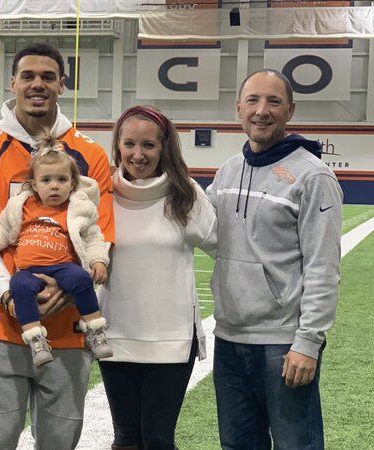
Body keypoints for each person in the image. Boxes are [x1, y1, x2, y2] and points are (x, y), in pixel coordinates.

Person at [0, 43, 114, 449]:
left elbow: (103, 236)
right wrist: (12, 296)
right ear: (12, 83)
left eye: (48, 76)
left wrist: (64, 293)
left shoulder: (91, 154)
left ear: (63, 84)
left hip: (68, 333)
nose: (37, 84)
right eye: (27, 75)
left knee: (59, 444)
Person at [207, 69, 342, 449]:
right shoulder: (229, 169)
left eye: (274, 101)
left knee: (295, 445)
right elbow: (202, 229)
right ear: (238, 108)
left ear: (290, 111)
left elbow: (323, 268)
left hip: (282, 343)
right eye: (252, 100)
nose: (261, 111)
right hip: (229, 338)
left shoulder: (313, 176)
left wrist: (308, 343)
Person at [97, 105, 217, 450]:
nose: (138, 154)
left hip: (172, 341)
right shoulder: (100, 193)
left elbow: (224, 248)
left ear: (165, 147)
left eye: (149, 145)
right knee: (126, 439)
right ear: (117, 145)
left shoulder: (186, 194)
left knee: (159, 440)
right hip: (115, 336)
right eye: (129, 144)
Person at [0, 133, 111, 367]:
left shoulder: (78, 208)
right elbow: (2, 226)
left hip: (64, 266)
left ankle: (95, 330)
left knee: (81, 278)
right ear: (34, 184)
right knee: (19, 285)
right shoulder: (22, 205)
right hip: (29, 269)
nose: (54, 186)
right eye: (47, 180)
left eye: (62, 179)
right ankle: (36, 339)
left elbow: (93, 237)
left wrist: (98, 260)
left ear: (73, 183)